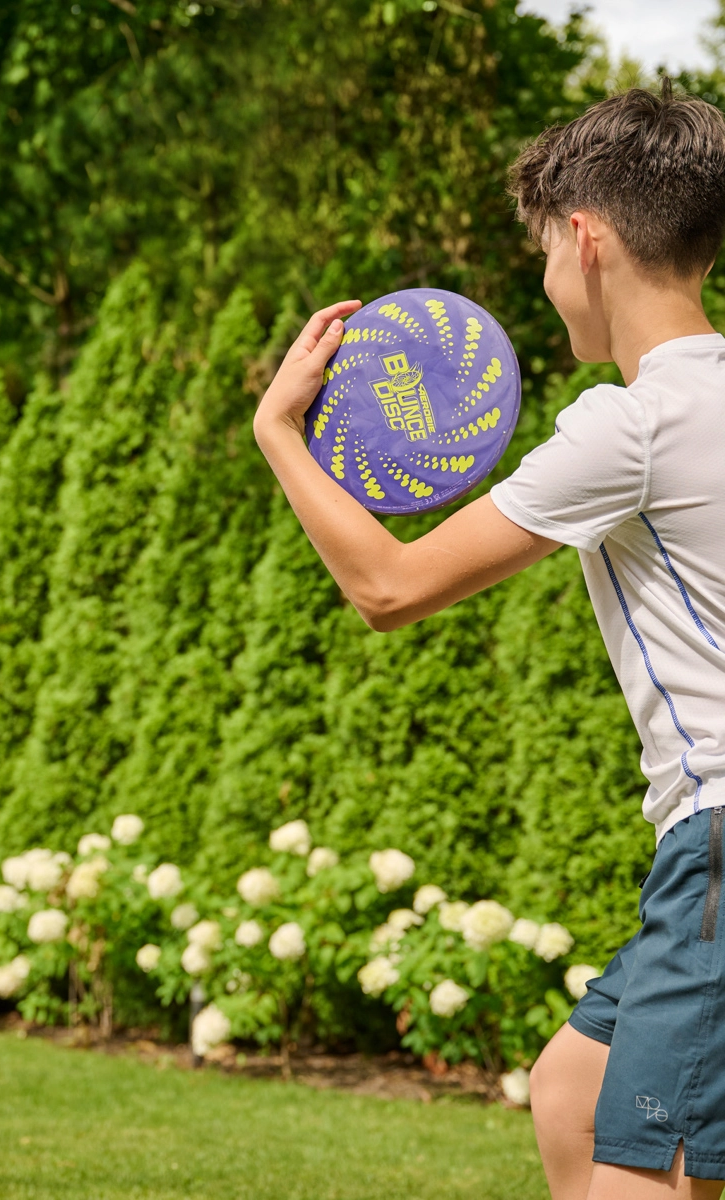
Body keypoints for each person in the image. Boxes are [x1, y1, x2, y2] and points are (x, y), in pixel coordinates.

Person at [253, 81, 725, 1200]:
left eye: (546, 251)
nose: (549, 280)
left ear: (586, 238)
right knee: (571, 1085)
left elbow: (388, 588)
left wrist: (279, 430)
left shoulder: (633, 423)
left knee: (641, 1180)